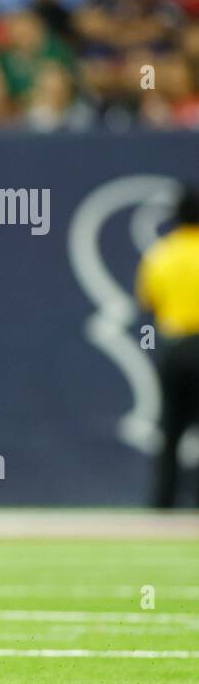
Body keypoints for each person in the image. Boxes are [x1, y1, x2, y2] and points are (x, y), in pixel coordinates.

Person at [137, 186, 199, 508]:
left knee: (171, 429)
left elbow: (148, 299)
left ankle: (164, 503)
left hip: (176, 348)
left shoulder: (162, 253)